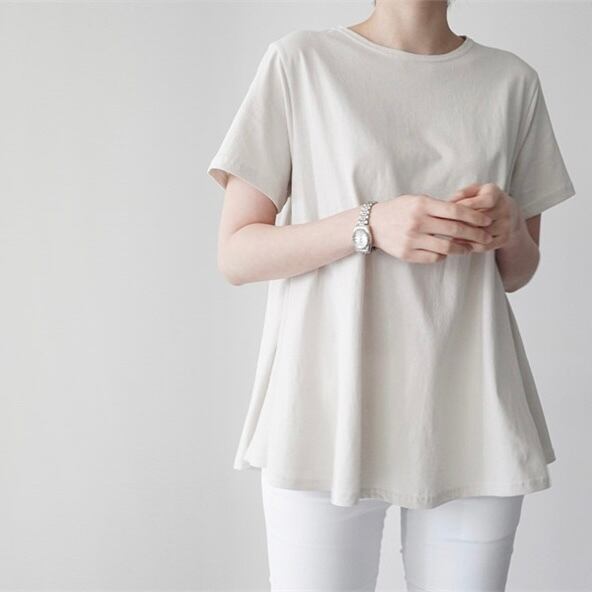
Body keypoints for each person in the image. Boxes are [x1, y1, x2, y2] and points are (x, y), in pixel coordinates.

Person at [207, 0, 576, 590]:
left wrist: (508, 227)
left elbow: (515, 273)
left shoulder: (512, 82)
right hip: (325, 411)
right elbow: (237, 254)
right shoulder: (301, 62)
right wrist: (370, 223)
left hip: (471, 411)